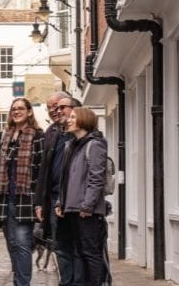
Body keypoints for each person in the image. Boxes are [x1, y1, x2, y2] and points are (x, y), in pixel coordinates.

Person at [0, 98, 43, 286]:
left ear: (29, 112)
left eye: (20, 109)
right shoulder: (3, 136)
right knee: (12, 244)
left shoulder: (38, 136)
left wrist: (39, 201)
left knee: (22, 243)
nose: (16, 112)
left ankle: (22, 283)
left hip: (26, 198)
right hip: (5, 198)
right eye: (13, 109)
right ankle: (19, 280)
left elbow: (41, 170)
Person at [55, 107, 108, 286]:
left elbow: (96, 177)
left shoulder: (95, 144)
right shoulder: (71, 145)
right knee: (78, 252)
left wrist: (88, 206)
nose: (68, 120)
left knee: (90, 253)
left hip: (87, 211)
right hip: (71, 208)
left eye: (73, 117)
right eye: (68, 117)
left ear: (84, 120)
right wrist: (60, 202)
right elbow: (65, 178)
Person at [35, 96, 83, 285]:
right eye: (52, 107)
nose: (56, 110)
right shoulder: (52, 132)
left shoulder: (82, 133)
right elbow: (44, 169)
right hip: (54, 199)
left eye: (60, 107)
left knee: (78, 248)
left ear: (75, 110)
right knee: (61, 248)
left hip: (75, 200)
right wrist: (40, 202)